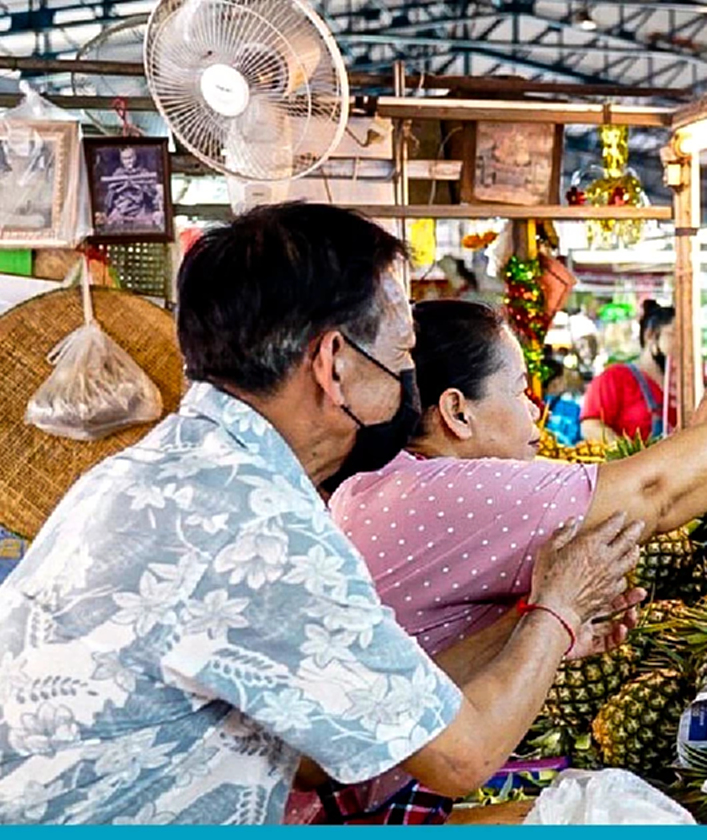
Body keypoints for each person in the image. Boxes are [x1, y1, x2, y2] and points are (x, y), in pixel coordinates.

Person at [0, 203, 646, 824]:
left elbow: (315, 756)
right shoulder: (259, 528)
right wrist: (558, 608)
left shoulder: (176, 471)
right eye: (399, 360)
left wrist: (522, 634)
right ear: (333, 365)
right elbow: (462, 758)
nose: (406, 390)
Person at [288, 299, 707, 823]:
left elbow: (422, 673)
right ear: (456, 412)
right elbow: (652, 495)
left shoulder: (391, 484)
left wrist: (705, 435)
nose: (537, 411)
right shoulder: (445, 490)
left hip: (346, 791)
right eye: (520, 390)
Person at [582, 300, 676, 442]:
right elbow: (590, 426)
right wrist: (627, 453)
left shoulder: (685, 385)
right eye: (674, 334)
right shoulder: (615, 378)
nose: (682, 343)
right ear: (650, 335)